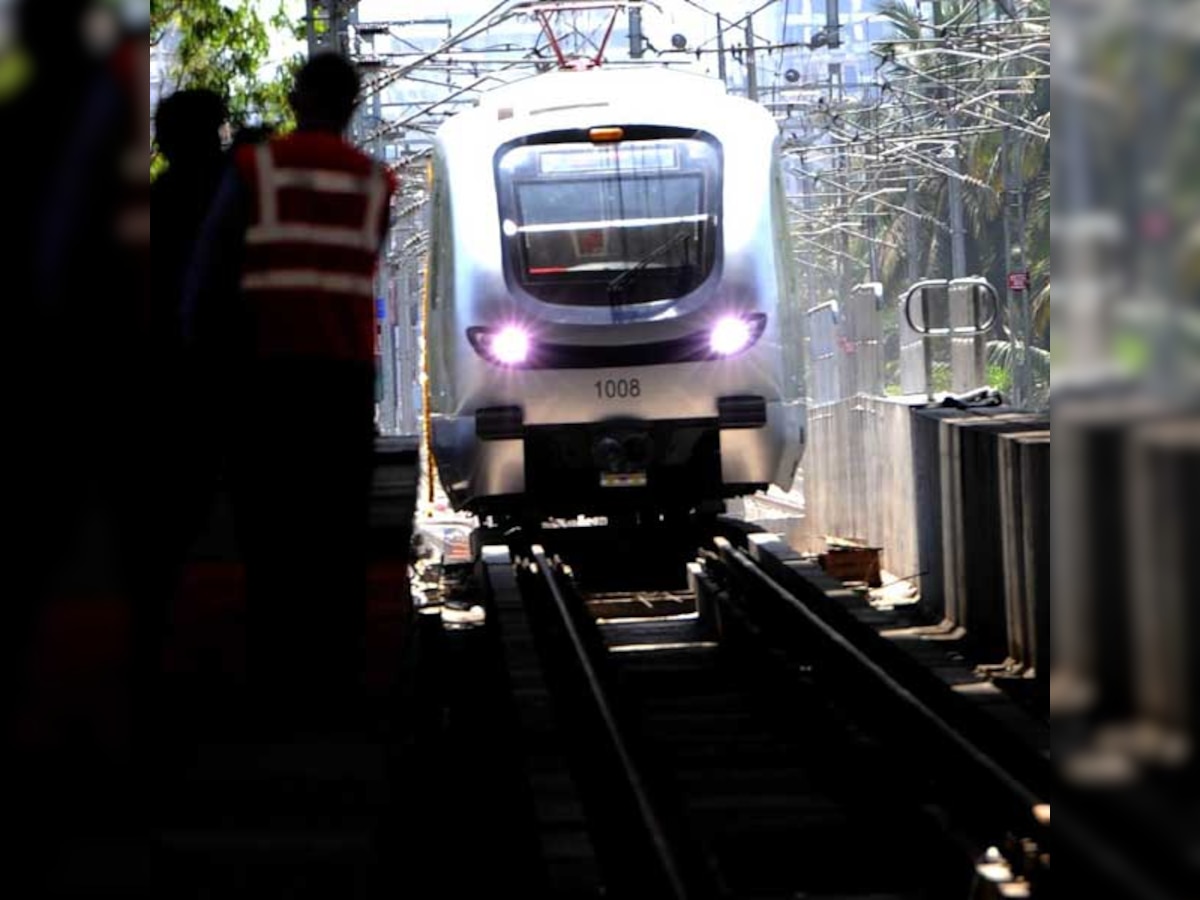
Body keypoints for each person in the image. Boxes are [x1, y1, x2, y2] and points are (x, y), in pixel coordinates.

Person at [183, 52, 396, 735]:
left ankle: (275, 678)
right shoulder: (376, 181)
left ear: (296, 97)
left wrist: (199, 366)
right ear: (354, 105)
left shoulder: (255, 170)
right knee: (337, 533)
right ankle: (336, 677)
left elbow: (208, 277)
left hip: (266, 376)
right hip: (342, 377)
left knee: (271, 530)